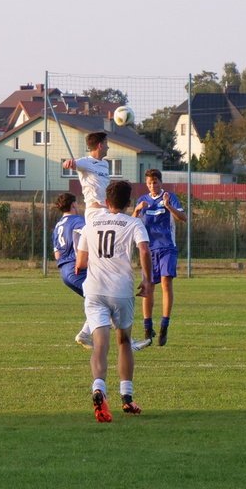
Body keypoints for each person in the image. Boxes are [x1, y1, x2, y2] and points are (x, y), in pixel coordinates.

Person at [75, 179, 153, 422]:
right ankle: (127, 398)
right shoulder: (134, 223)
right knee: (124, 341)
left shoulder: (90, 223)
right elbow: (144, 250)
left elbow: (80, 263)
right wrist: (147, 280)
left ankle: (98, 388)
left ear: (107, 201)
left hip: (95, 290)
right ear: (129, 203)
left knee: (100, 344)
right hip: (120, 290)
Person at [132, 168, 187, 345]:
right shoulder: (143, 200)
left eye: (155, 182)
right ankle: (148, 329)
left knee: (166, 282)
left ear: (161, 182)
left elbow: (183, 218)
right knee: (148, 287)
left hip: (167, 247)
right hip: (148, 250)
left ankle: (164, 326)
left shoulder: (169, 197)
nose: (152, 186)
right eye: (149, 183)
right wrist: (136, 210)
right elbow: (131, 223)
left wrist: (168, 206)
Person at [52, 193, 94, 349]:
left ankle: (90, 330)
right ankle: (85, 333)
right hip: (77, 268)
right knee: (105, 300)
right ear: (73, 204)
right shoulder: (78, 221)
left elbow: (57, 254)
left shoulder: (58, 225)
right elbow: (89, 237)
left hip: (64, 271)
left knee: (97, 301)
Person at [61, 132, 111, 212]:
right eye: (106, 143)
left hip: (107, 208)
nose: (108, 147)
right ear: (100, 145)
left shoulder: (105, 163)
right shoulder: (85, 162)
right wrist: (66, 163)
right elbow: (68, 164)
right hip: (95, 210)